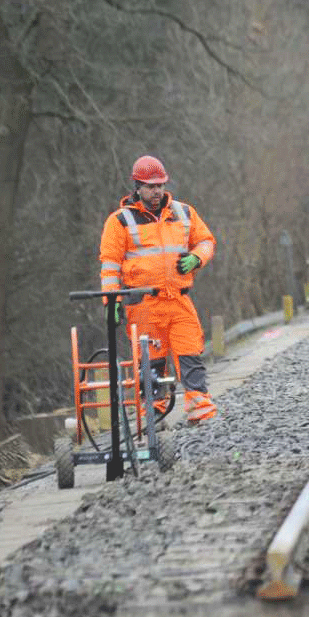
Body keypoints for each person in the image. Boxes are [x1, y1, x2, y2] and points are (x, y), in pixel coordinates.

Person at [99, 155, 219, 424]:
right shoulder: (120, 222)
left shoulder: (184, 213)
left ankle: (200, 411)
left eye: (160, 185)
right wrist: (111, 301)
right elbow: (110, 266)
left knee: (190, 353)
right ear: (137, 186)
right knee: (150, 363)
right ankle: (153, 415)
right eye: (151, 186)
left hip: (178, 300)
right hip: (143, 306)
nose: (157, 191)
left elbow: (206, 241)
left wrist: (197, 258)